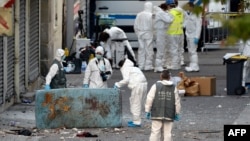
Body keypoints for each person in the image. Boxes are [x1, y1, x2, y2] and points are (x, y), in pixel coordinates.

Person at [145, 69, 181, 141]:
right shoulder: (174, 88)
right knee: (167, 133)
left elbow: (149, 99)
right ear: (169, 77)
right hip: (169, 113)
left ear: (160, 77)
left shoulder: (155, 86)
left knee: (155, 132)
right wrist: (177, 113)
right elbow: (177, 101)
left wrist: (147, 110)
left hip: (157, 112)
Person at [114, 58, 148, 127]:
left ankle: (136, 122)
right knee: (140, 103)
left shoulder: (125, 68)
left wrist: (117, 84)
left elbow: (126, 80)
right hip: (144, 85)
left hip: (137, 86)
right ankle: (137, 119)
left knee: (135, 103)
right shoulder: (135, 68)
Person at [164, 0, 185, 70]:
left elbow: (167, 22)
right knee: (178, 49)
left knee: (173, 50)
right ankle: (178, 64)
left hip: (172, 33)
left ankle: (175, 65)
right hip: (180, 32)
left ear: (168, 5)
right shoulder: (180, 12)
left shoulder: (170, 13)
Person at [153, 3, 174, 73]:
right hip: (160, 32)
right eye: (168, 7)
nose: (169, 8)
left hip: (161, 32)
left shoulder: (160, 12)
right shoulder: (161, 13)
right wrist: (172, 16)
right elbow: (168, 20)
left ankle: (159, 65)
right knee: (160, 49)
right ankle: (158, 66)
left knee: (161, 49)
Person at [134, 1, 154, 71]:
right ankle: (148, 65)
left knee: (141, 50)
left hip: (140, 34)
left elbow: (135, 25)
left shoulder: (139, 14)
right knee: (149, 50)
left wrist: (138, 33)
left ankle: (141, 65)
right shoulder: (151, 15)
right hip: (148, 33)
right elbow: (153, 25)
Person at [184, 1, 202, 72]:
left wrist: (197, 37)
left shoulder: (196, 15)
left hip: (193, 35)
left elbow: (198, 27)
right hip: (188, 34)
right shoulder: (189, 14)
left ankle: (195, 66)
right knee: (190, 51)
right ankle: (192, 65)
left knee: (193, 51)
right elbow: (186, 23)